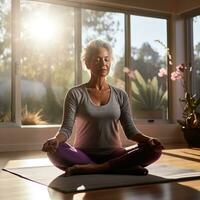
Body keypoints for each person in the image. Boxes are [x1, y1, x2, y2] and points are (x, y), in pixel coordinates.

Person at [42, 39, 164, 176]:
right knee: (55, 151)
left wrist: (149, 140)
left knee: (153, 149)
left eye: (106, 60)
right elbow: (66, 129)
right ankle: (121, 167)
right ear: (87, 63)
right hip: (83, 155)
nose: (103, 64)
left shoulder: (120, 95)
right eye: (97, 60)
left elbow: (131, 131)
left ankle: (96, 168)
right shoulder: (75, 94)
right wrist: (55, 140)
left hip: (115, 154)